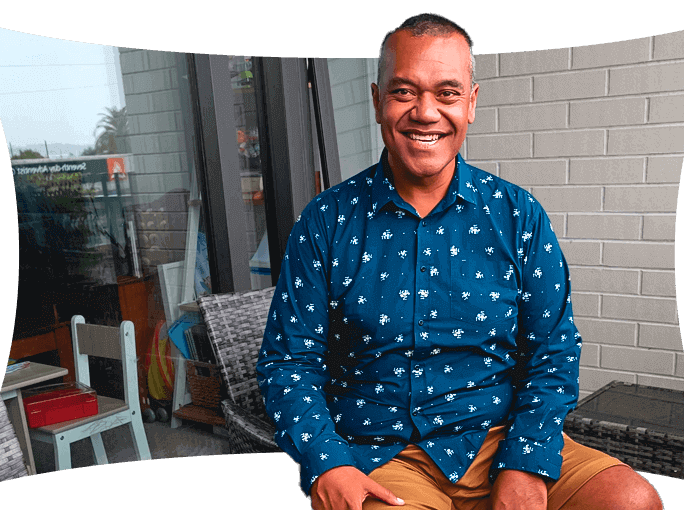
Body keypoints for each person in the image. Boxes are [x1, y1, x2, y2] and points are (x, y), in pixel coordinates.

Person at [257, 13, 663, 510]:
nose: (425, 112)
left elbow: (552, 350)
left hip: (502, 436)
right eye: (404, 92)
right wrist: (328, 462)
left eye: (447, 93)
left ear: (471, 103)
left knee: (630, 501)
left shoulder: (518, 215)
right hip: (381, 454)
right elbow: (287, 363)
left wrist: (525, 462)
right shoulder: (326, 220)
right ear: (377, 101)